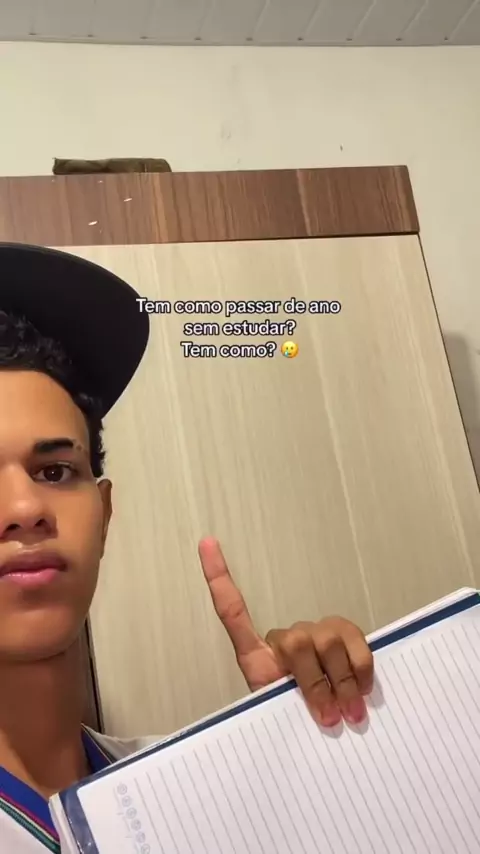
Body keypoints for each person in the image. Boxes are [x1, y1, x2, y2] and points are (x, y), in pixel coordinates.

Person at [0, 243, 374, 853]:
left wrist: (315, 757)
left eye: (55, 471)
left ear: (105, 515)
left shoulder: (187, 792)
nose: (24, 508)